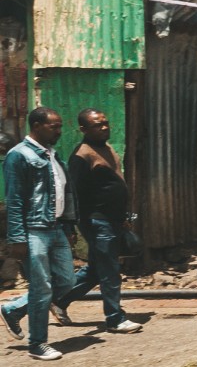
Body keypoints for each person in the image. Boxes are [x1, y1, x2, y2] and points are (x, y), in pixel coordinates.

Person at [2, 107, 82, 360]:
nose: (59, 131)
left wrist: (69, 226)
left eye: (59, 126)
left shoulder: (53, 156)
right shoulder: (19, 155)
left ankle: (14, 309)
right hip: (34, 230)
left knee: (67, 280)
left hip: (56, 227)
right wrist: (17, 238)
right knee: (42, 287)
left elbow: (63, 194)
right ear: (36, 125)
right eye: (54, 126)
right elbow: (14, 200)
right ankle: (38, 344)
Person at [54, 110, 142, 336]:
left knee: (96, 269)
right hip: (97, 221)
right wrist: (70, 225)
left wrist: (123, 217)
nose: (104, 128)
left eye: (105, 123)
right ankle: (114, 318)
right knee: (110, 270)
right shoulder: (81, 156)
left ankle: (58, 301)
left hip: (113, 220)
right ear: (83, 129)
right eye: (97, 125)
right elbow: (73, 192)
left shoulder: (108, 148)